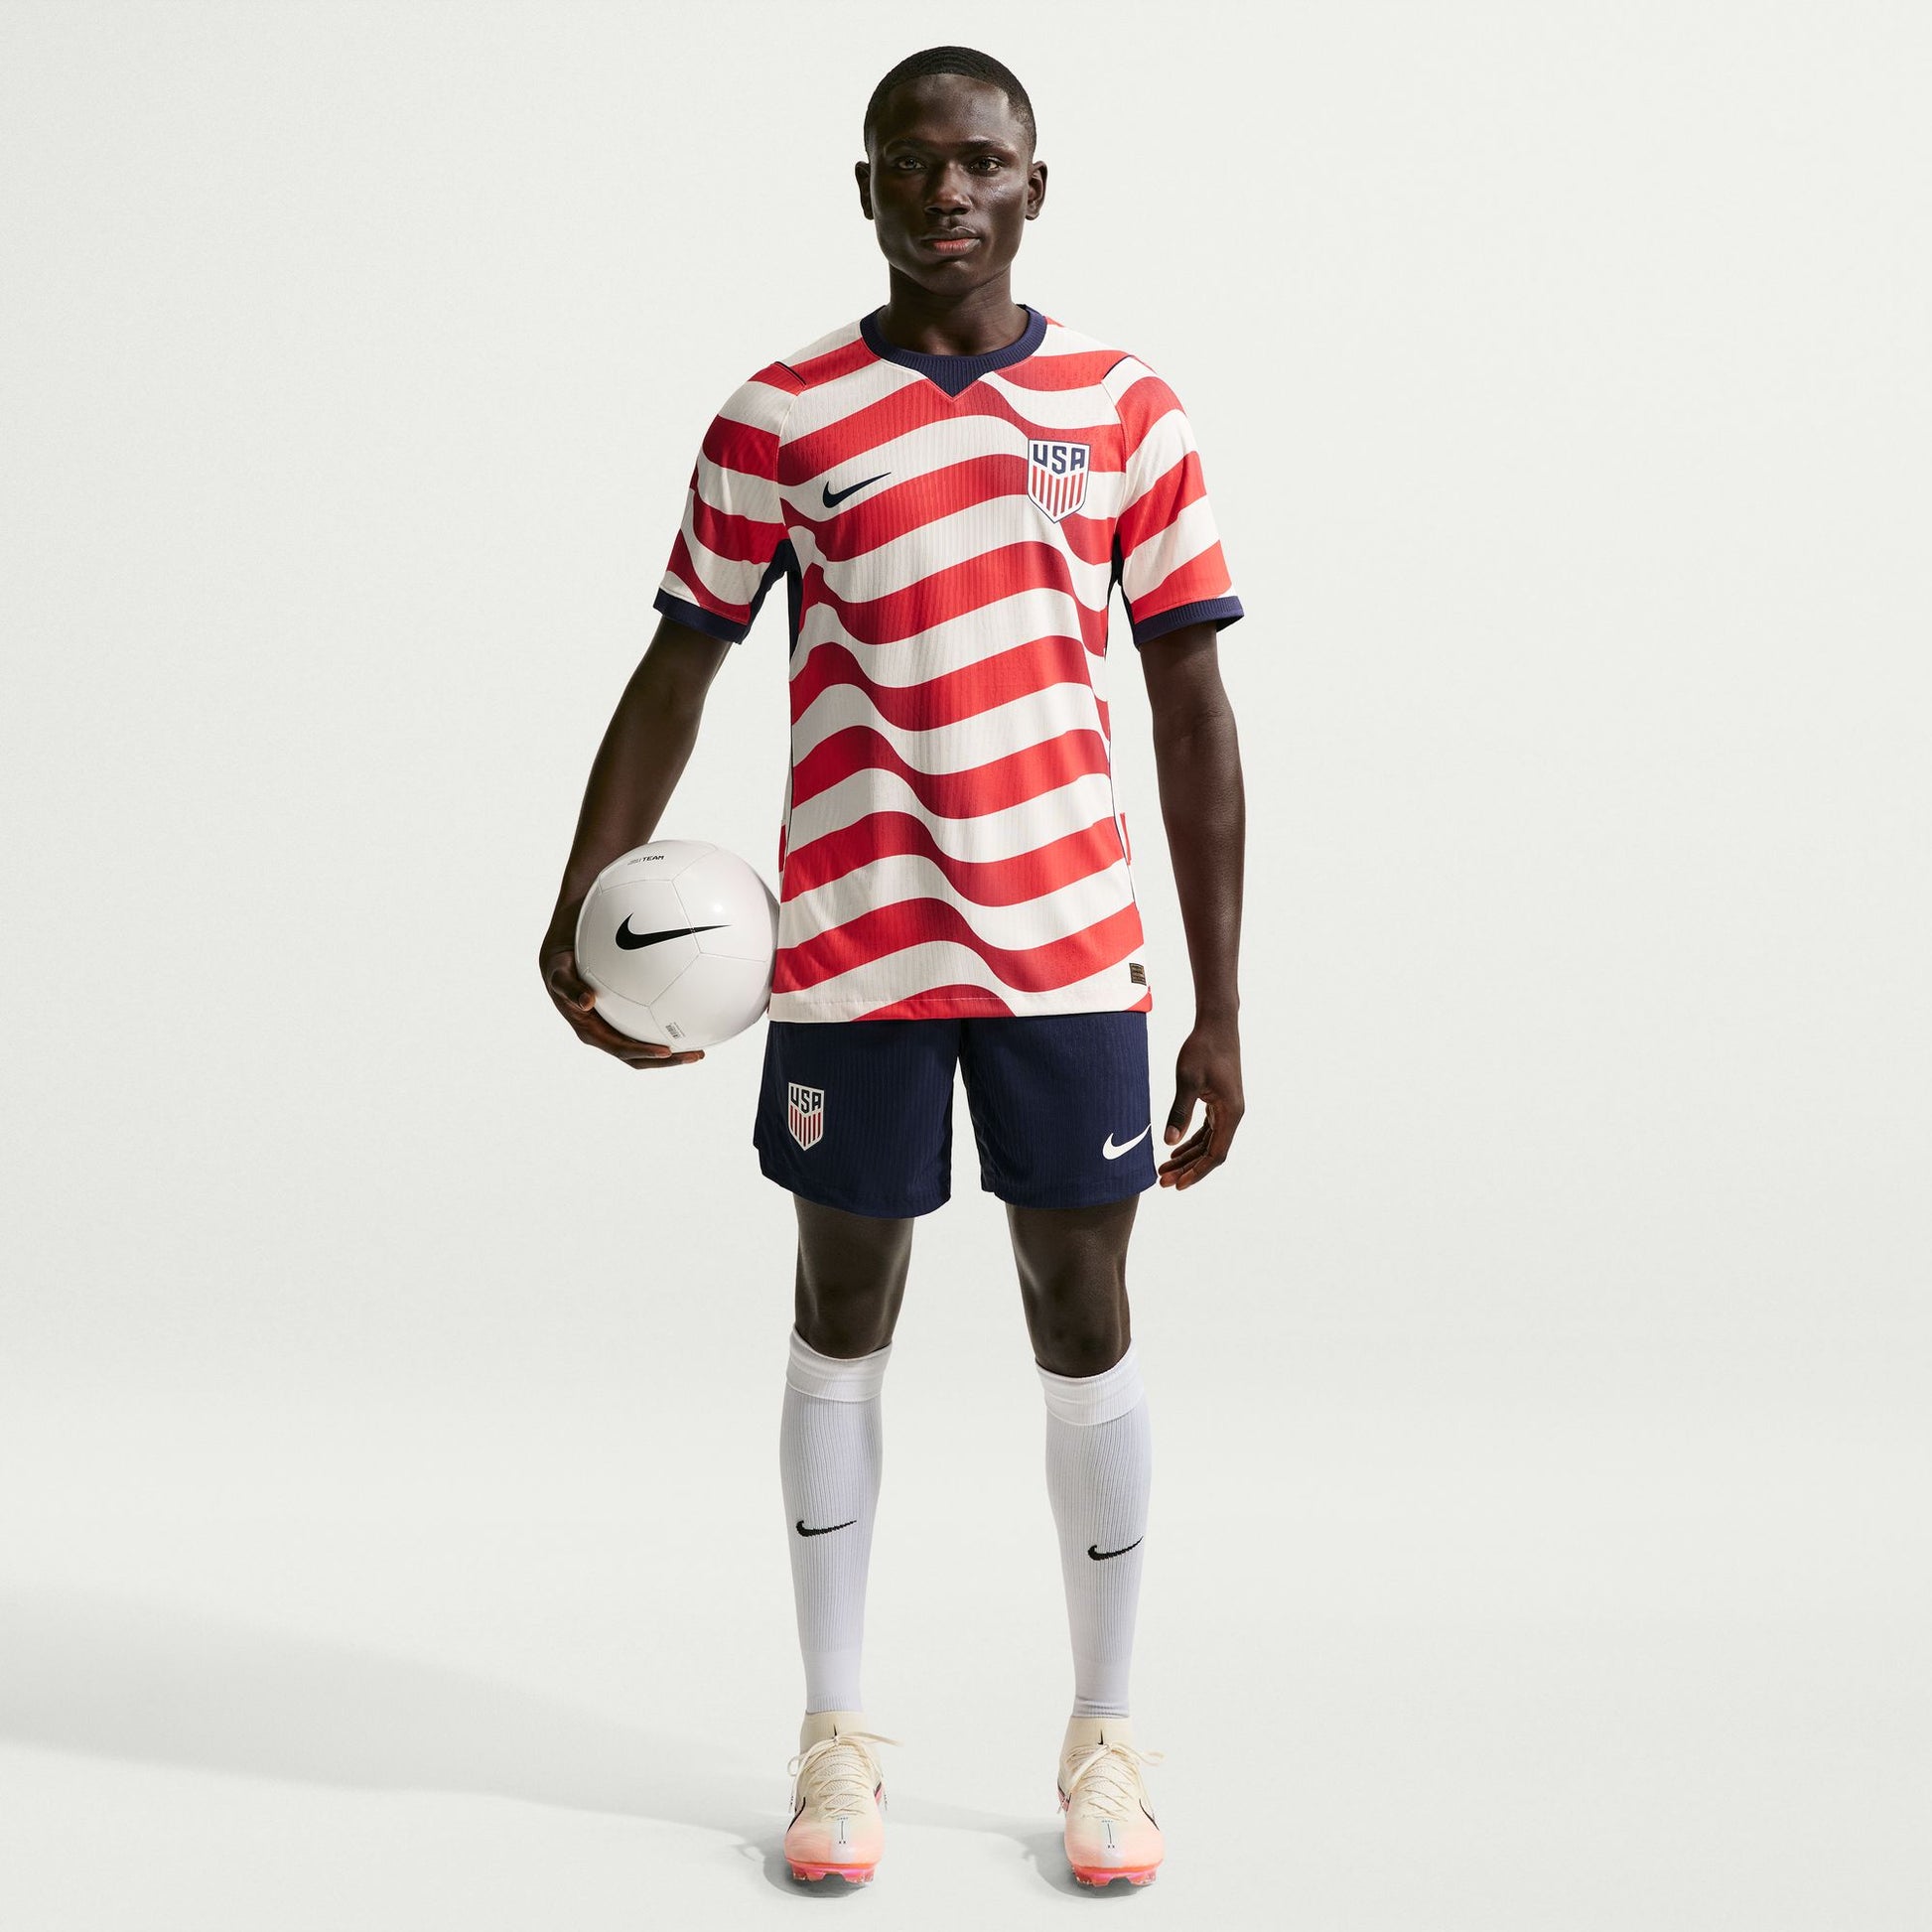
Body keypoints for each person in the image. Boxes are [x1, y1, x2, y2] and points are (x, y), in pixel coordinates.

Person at [539, 45, 1246, 1890]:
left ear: (1034, 185)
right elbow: (680, 663)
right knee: (840, 1310)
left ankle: (1105, 1735)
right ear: (864, 189)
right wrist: (583, 892)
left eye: (983, 162)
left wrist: (1222, 1007)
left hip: (1067, 955)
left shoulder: (1125, 408)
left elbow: (1192, 707)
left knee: (1081, 1315)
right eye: (914, 163)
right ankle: (834, 1734)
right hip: (852, 952)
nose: (950, 191)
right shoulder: (781, 416)